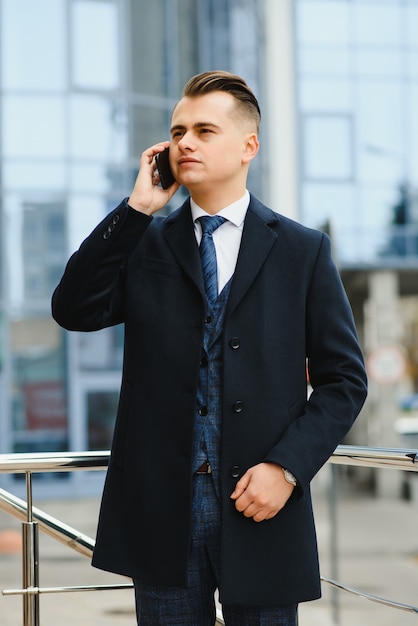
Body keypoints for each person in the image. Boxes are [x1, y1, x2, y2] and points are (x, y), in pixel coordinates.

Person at [52, 70, 367, 626]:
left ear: (249, 146)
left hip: (261, 506)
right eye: (177, 132)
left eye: (203, 129)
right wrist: (136, 209)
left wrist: (287, 468)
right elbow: (73, 309)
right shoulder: (144, 240)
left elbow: (344, 381)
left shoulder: (302, 251)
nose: (185, 142)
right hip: (161, 512)